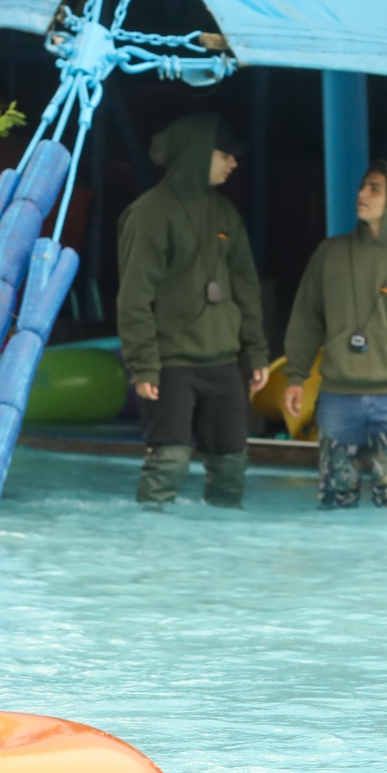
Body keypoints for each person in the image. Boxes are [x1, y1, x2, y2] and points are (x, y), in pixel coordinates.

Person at [116, 112, 270, 508]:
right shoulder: (149, 213)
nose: (233, 163)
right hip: (170, 362)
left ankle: (218, 555)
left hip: (222, 361)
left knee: (232, 465)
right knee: (169, 462)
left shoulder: (225, 213)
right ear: (199, 154)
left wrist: (255, 352)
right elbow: (134, 295)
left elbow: (246, 286)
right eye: (226, 154)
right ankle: (153, 549)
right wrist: (144, 363)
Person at [282, 161, 387, 510]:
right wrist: (295, 375)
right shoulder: (329, 253)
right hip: (337, 396)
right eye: (363, 186)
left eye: (375, 188)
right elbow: (306, 318)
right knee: (334, 499)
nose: (362, 194)